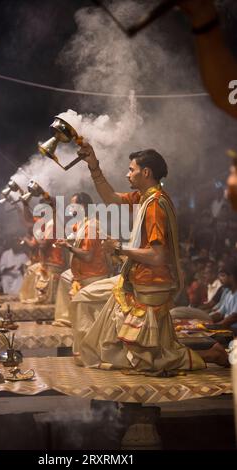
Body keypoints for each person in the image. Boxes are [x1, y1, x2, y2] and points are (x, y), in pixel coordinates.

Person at [70, 144, 228, 374]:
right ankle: (211, 353)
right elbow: (112, 199)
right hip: (140, 278)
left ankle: (210, 355)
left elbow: (157, 256)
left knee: (147, 358)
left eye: (131, 169)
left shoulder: (154, 205)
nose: (127, 174)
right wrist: (94, 166)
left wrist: (119, 247)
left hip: (150, 282)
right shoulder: (145, 198)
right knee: (152, 350)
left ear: (146, 173)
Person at [53, 192, 110, 327]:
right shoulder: (82, 223)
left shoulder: (91, 226)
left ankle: (68, 318)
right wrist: (66, 240)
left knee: (66, 277)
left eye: (73, 205)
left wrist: (67, 246)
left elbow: (88, 255)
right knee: (65, 276)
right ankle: (66, 318)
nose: (70, 208)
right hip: (83, 272)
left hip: (93, 275)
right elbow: (74, 234)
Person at [19, 198, 65, 304]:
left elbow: (43, 245)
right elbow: (29, 220)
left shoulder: (53, 223)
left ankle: (42, 300)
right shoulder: (44, 221)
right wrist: (25, 204)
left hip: (54, 263)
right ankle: (31, 300)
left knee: (33, 271)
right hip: (45, 261)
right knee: (30, 269)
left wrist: (34, 236)